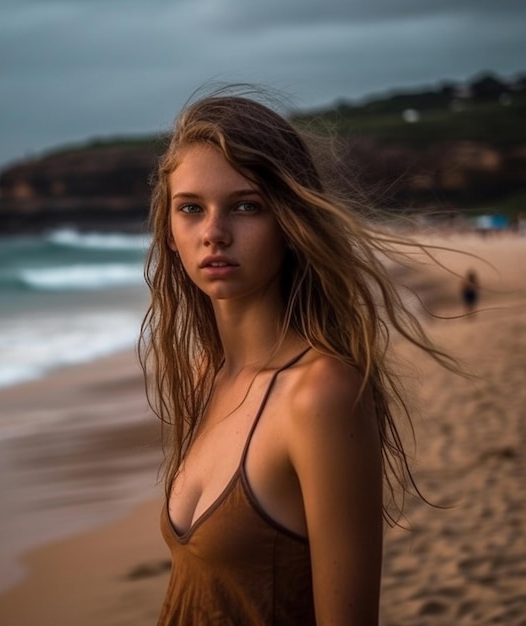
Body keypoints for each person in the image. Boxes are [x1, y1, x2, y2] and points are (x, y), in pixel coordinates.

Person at [138, 91, 455, 625]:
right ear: (170, 233)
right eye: (191, 208)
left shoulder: (320, 395)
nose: (213, 232)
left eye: (245, 206)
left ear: (289, 221)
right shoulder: (205, 377)